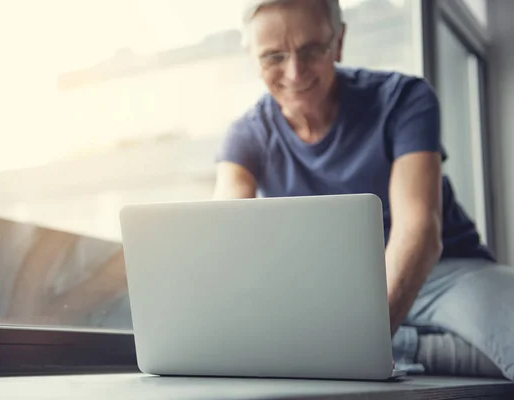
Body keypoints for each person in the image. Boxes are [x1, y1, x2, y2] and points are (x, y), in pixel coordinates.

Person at [214, 0, 514, 379]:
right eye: (274, 56)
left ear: (338, 42)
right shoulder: (246, 135)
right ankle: (408, 345)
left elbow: (419, 232)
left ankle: (395, 343)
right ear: (253, 57)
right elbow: (225, 238)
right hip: (335, 292)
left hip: (444, 273)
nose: (293, 72)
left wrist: (363, 342)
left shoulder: (403, 98)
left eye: (312, 50)